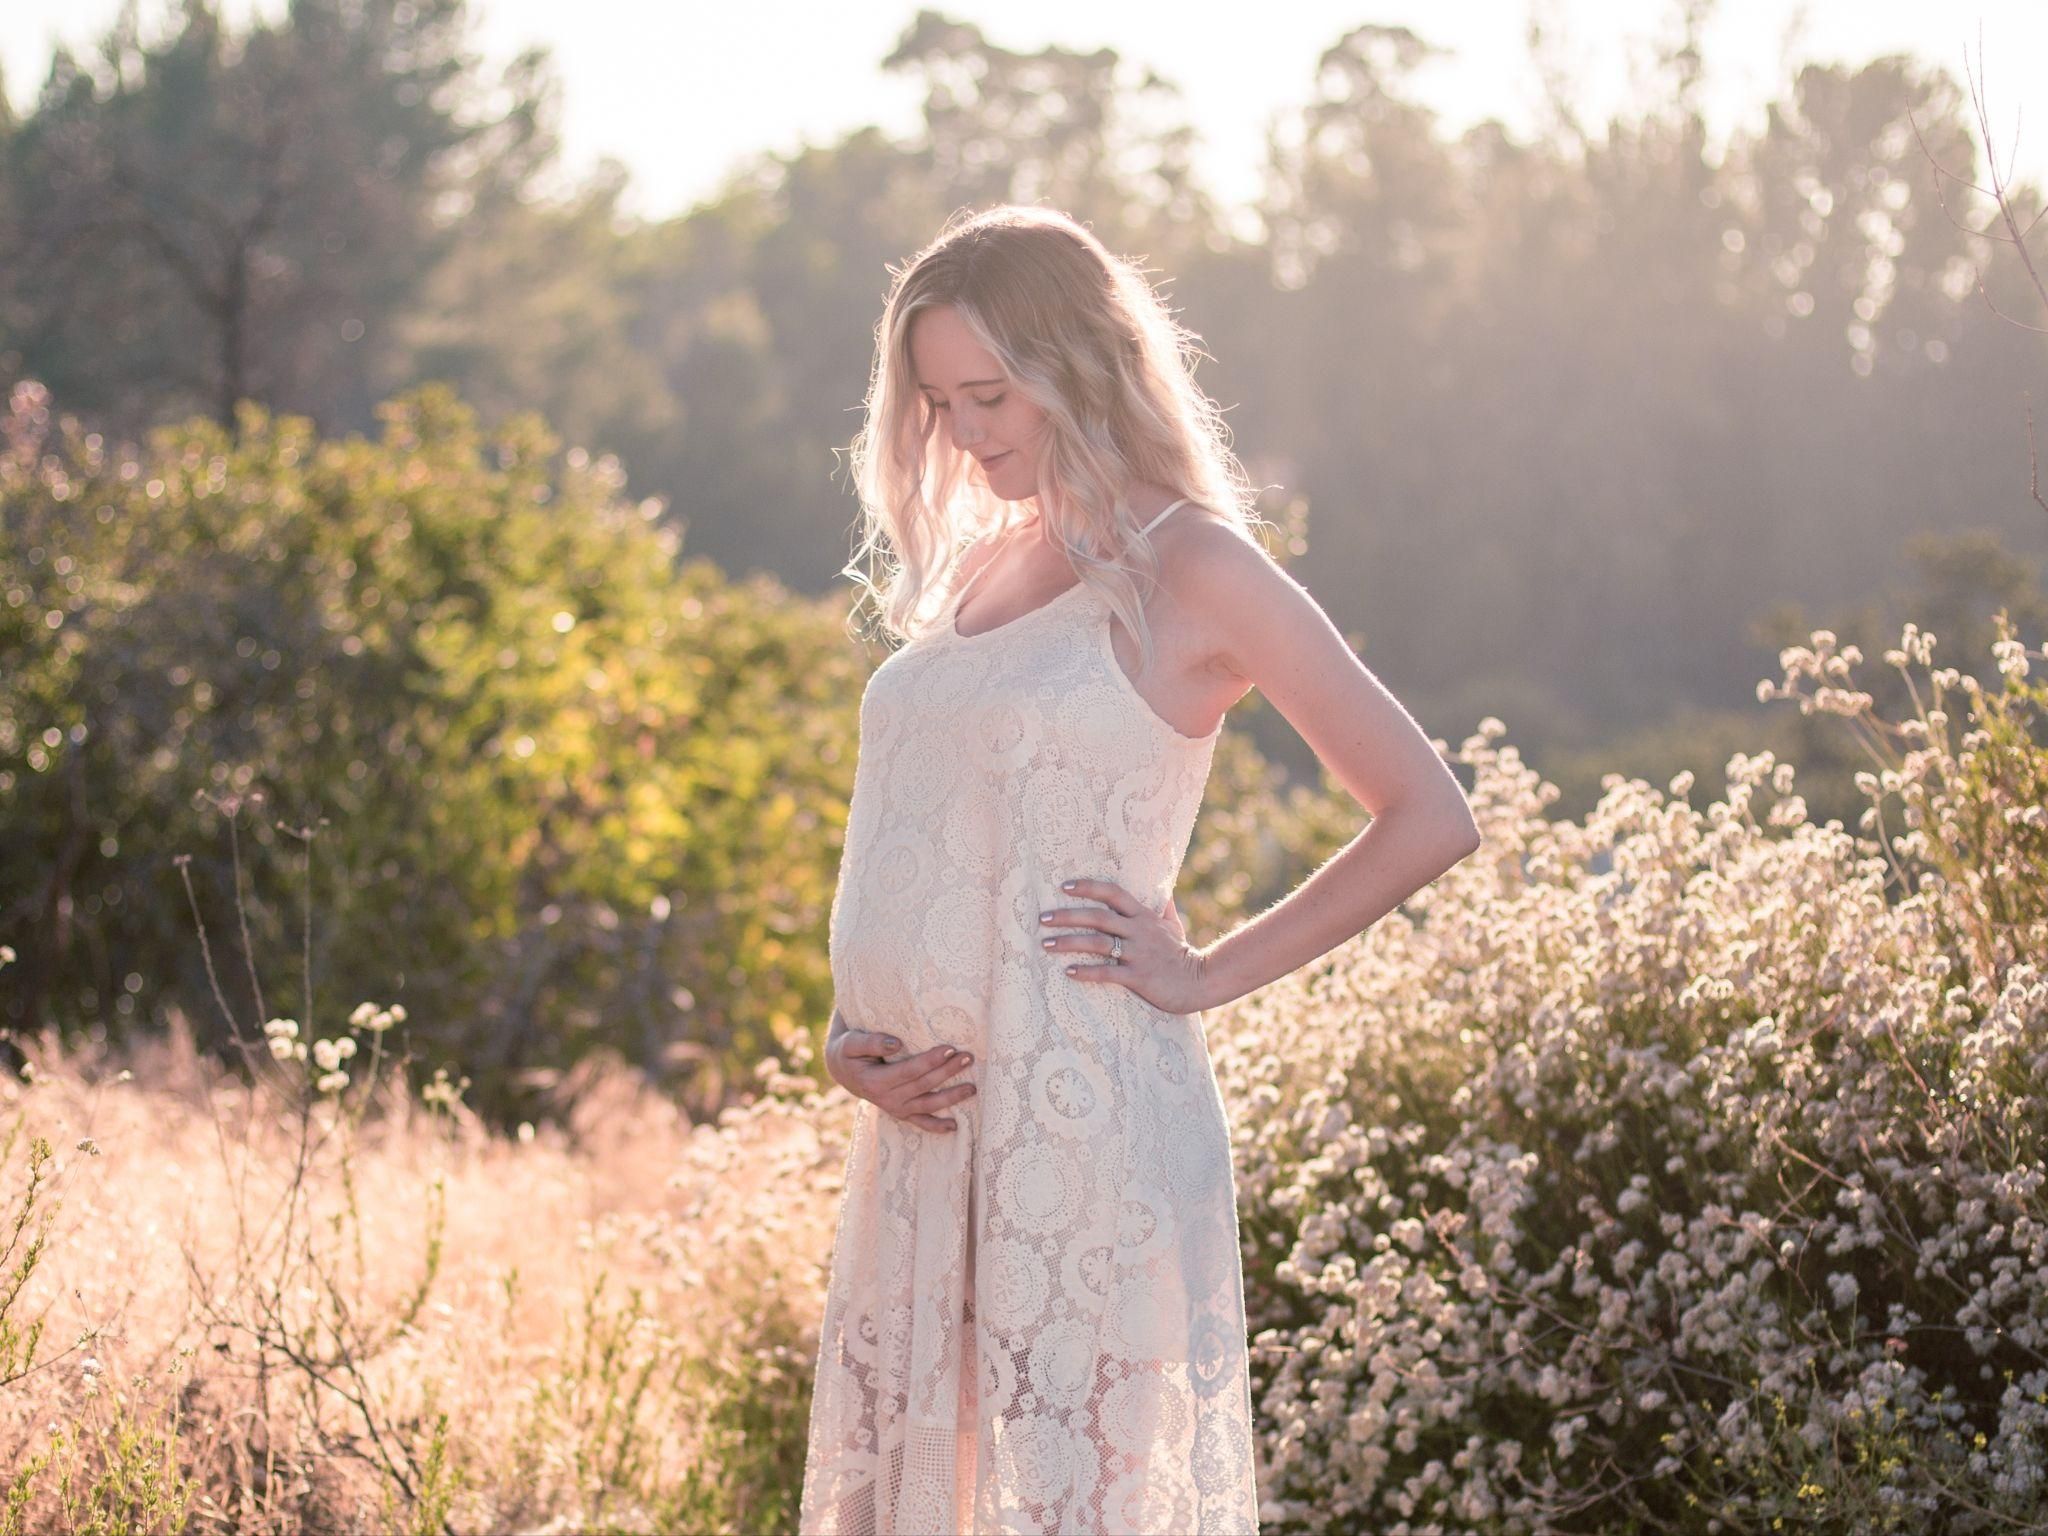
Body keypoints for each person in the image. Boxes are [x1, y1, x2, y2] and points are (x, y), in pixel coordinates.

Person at [800, 204, 1482, 1535]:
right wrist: (853, 1030)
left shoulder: (1199, 566)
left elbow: (1426, 812)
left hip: (1087, 1115)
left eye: (991, 393)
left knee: (1080, 1510)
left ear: (1081, 365)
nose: (968, 430)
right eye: (940, 403)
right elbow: (922, 833)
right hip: (928, 1129)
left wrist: (1207, 970)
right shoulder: (982, 568)